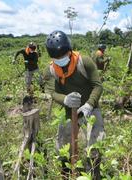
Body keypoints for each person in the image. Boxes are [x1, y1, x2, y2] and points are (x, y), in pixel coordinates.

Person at [45, 30, 104, 179]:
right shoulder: (51, 70)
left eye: (63, 56)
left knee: (96, 144)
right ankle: (66, 173)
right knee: (63, 146)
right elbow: (52, 92)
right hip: (68, 111)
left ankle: (93, 174)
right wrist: (65, 99)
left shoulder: (84, 62)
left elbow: (98, 86)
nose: (60, 59)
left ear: (69, 51)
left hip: (91, 108)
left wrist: (89, 105)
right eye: (56, 58)